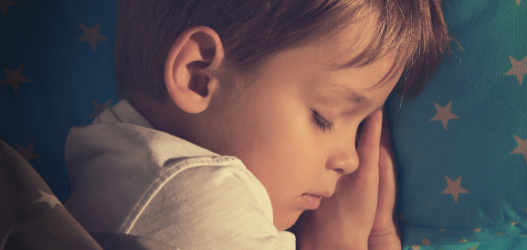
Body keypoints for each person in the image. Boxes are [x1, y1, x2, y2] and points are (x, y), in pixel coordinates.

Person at [63, 0, 449, 249]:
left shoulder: (119, 159)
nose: (350, 159)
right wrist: (345, 240)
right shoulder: (199, 201)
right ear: (199, 76)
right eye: (325, 117)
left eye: (361, 125)